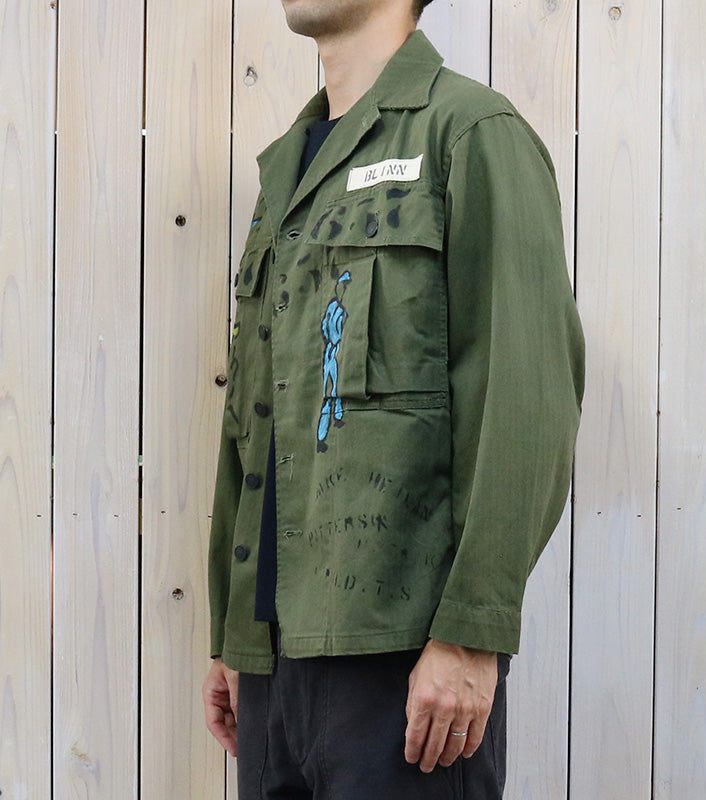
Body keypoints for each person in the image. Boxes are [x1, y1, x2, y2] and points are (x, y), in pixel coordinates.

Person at [203, 0, 585, 797]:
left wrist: (471, 635)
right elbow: (255, 418)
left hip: (403, 665)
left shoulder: (470, 134)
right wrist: (232, 635)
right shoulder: (286, 171)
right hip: (269, 665)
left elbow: (527, 398)